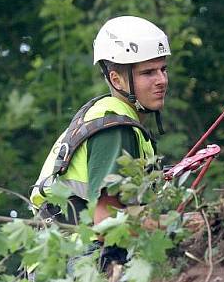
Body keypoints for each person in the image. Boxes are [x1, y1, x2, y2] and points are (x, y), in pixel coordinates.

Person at [30, 15, 170, 227]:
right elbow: (107, 221)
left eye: (163, 69)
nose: (161, 80)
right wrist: (178, 223)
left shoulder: (106, 115)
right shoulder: (114, 128)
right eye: (148, 72)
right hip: (76, 255)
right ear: (116, 79)